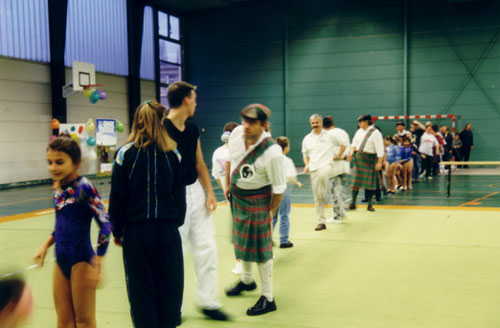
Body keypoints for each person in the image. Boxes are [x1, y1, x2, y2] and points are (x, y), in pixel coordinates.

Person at [109, 100, 186, 328]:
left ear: (136, 122)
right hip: (167, 233)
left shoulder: (125, 155)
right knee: (170, 288)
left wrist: (117, 230)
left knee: (141, 290)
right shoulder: (173, 155)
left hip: (137, 233)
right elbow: (179, 197)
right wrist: (173, 224)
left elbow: (118, 197)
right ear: (162, 122)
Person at [165, 82, 229, 321]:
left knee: (207, 248)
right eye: (194, 98)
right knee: (175, 254)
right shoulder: (162, 129)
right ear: (185, 100)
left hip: (195, 193)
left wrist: (210, 192)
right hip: (172, 196)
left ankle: (209, 302)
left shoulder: (191, 130)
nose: (196, 103)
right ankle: (174, 307)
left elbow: (200, 163)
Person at [34, 134, 111, 328]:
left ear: (76, 162)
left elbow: (106, 223)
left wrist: (98, 261)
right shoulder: (57, 189)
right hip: (61, 259)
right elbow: (62, 223)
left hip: (82, 260)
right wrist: (46, 244)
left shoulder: (84, 187)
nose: (53, 167)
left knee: (84, 322)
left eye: (59, 162)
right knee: (64, 322)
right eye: (49, 162)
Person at [224, 104, 286, 316]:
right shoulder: (237, 134)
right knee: (243, 242)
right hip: (238, 197)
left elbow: (279, 189)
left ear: (264, 125)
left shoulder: (272, 152)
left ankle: (268, 297)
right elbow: (231, 161)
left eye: (252, 122)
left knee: (261, 249)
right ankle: (247, 281)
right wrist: (227, 185)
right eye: (244, 121)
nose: (246, 126)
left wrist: (270, 212)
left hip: (260, 200)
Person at [211, 121, 241, 275]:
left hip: (230, 195)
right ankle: (242, 261)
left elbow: (216, 175)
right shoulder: (240, 151)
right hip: (241, 193)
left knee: (237, 228)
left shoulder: (216, 153)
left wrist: (225, 189)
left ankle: (240, 262)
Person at [302, 114, 335, 231]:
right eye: (313, 123)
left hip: (326, 166)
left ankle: (323, 194)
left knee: (323, 174)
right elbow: (305, 154)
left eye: (317, 122)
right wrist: (306, 165)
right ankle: (321, 222)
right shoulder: (307, 138)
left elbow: (344, 144)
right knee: (317, 196)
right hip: (313, 168)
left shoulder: (330, 136)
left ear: (321, 123)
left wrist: (340, 155)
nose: (315, 125)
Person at [347, 114, 384, 211]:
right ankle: (353, 203)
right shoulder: (359, 131)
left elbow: (380, 149)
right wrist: (351, 153)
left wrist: (379, 162)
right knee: (355, 182)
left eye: (360, 122)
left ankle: (370, 204)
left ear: (366, 122)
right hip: (358, 159)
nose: (359, 124)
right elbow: (354, 143)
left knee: (370, 183)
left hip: (370, 159)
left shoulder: (376, 133)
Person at [273, 136, 302, 248]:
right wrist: (297, 183)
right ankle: (284, 240)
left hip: (272, 190)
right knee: (284, 215)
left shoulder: (273, 159)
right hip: (283, 190)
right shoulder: (287, 161)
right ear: (286, 148)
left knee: (272, 216)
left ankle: (267, 238)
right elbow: (290, 176)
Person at [323, 116, 350, 223]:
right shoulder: (342, 131)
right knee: (341, 190)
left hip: (335, 165)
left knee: (335, 191)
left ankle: (337, 216)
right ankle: (342, 212)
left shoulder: (328, 134)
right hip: (344, 165)